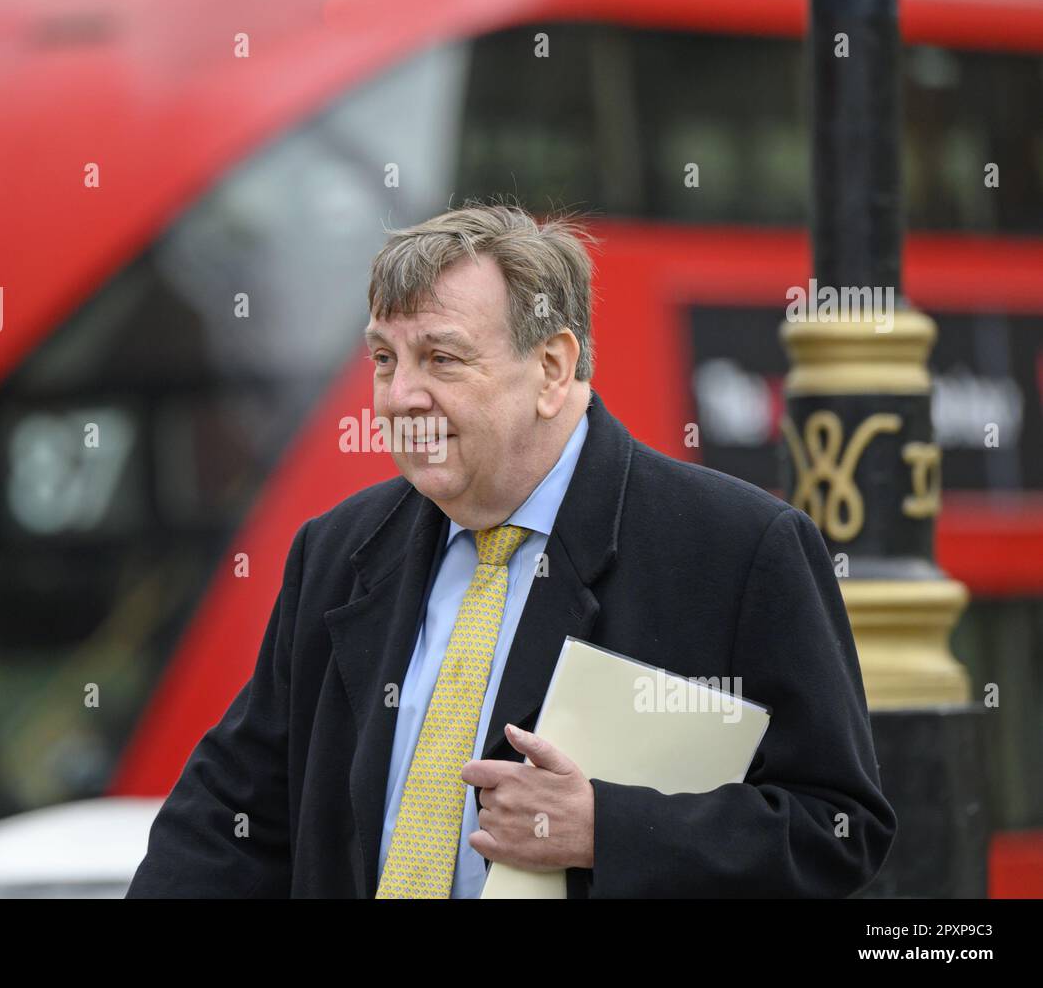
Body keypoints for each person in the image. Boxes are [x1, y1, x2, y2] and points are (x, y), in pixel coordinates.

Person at [127, 203, 896, 898]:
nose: (399, 397)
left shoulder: (739, 549)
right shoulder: (334, 552)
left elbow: (837, 829)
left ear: (553, 369)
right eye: (385, 359)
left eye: (442, 358)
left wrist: (610, 830)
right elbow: (230, 818)